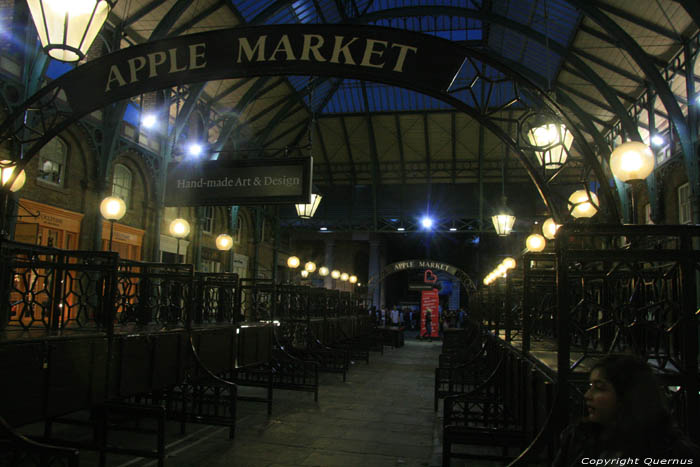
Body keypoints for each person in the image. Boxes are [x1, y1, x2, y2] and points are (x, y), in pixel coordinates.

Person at [553, 354, 700, 466]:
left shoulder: (672, 453)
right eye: (590, 386)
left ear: (628, 396)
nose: (587, 396)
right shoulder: (578, 437)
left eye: (599, 388)